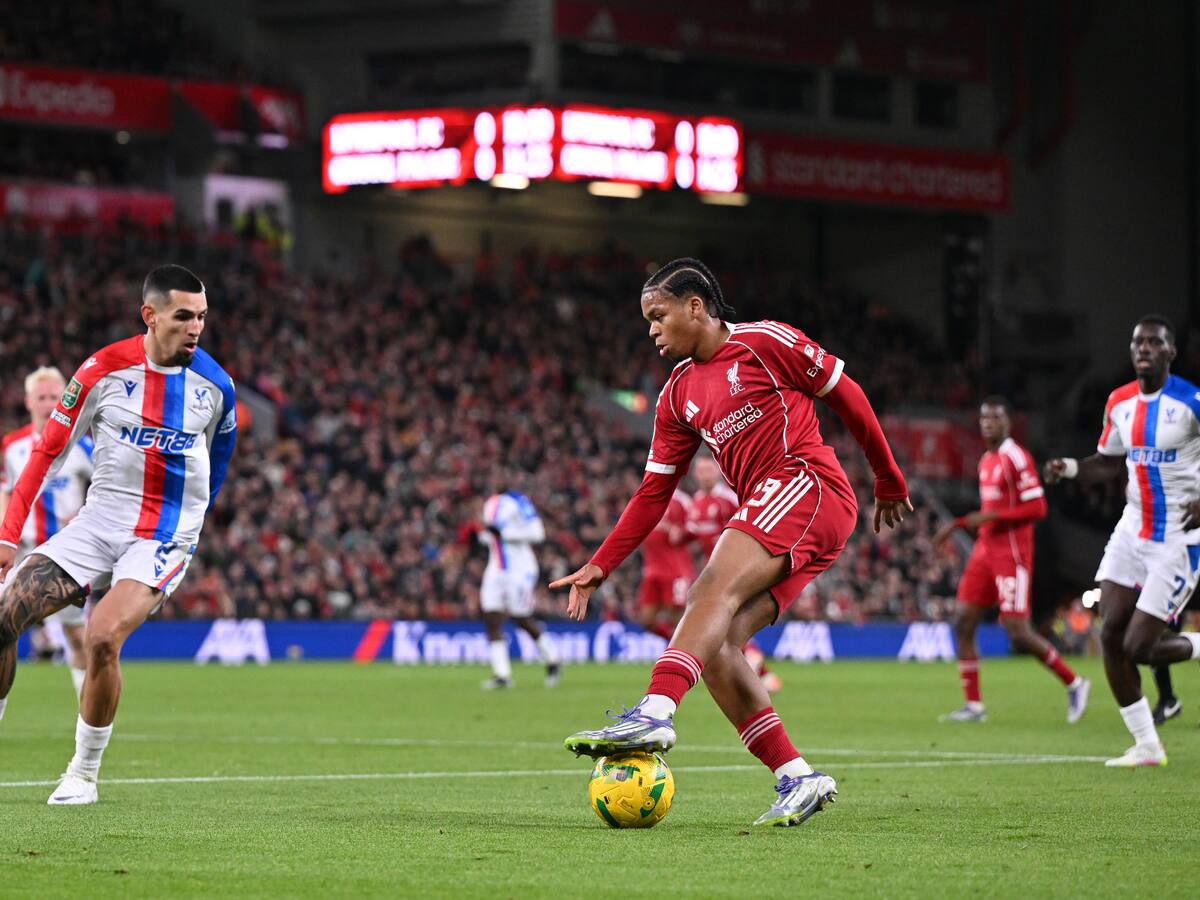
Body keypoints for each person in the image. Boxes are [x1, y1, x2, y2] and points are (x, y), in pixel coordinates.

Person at [551, 258, 910, 827]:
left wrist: (887, 476)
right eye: (647, 320)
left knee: (708, 589)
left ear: (696, 307)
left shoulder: (766, 342)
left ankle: (655, 709)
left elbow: (847, 393)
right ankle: (797, 776)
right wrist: (601, 564)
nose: (651, 330)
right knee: (716, 648)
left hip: (806, 484)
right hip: (779, 507)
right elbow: (654, 491)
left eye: (658, 315)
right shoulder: (675, 396)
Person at [0, 264, 236, 804]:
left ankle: (83, 773)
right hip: (99, 522)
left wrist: (189, 528)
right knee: (2, 618)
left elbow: (218, 465)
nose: (196, 327)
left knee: (102, 637)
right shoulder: (102, 370)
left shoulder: (216, 387)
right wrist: (8, 535)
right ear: (150, 316)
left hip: (162, 535)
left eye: (202, 316)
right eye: (184, 316)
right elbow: (47, 454)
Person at [1045, 314, 1200, 767]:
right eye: (1138, 342)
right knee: (1110, 633)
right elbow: (1109, 462)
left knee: (1139, 648)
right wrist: (1071, 469)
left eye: (1154, 342)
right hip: (1132, 528)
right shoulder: (1119, 402)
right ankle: (1147, 744)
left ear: (1171, 352)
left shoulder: (1190, 402)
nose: (1144, 348)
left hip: (1179, 537)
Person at [933, 397, 1090, 723]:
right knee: (963, 620)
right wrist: (958, 524)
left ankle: (1075, 682)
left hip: (1012, 553)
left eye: (995, 417)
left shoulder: (1016, 457)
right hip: (985, 550)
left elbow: (1038, 508)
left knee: (1018, 630)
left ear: (1008, 422)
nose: (988, 422)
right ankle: (974, 706)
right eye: (984, 417)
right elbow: (987, 514)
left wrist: (991, 515)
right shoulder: (987, 459)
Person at [1, 367, 94, 701]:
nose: (48, 404)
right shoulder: (12, 447)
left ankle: (86, 709)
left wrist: (83, 514)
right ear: (28, 401)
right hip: (21, 552)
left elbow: (106, 487)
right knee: (4, 629)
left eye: (54, 397)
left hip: (65, 556)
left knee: (75, 634)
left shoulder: (82, 446)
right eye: (41, 397)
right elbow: (5, 492)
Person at [688, 454, 780, 692]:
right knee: (726, 620)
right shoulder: (695, 503)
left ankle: (754, 661)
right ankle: (762, 673)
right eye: (701, 471)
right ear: (696, 474)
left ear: (717, 472)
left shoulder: (729, 499)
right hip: (714, 572)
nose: (705, 475)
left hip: (738, 569)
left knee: (727, 620)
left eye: (709, 470)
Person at [478, 485, 561, 689]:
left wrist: (505, 534)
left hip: (520, 569)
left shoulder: (520, 501)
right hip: (495, 568)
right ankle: (502, 675)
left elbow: (537, 533)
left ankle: (552, 658)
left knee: (520, 617)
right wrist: (487, 537)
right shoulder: (489, 504)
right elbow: (491, 534)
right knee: (491, 617)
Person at [635, 486, 694, 642]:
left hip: (675, 569)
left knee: (676, 617)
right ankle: (675, 647)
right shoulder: (646, 496)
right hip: (651, 569)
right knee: (646, 619)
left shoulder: (682, 500)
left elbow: (695, 526)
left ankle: (685, 654)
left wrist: (681, 532)